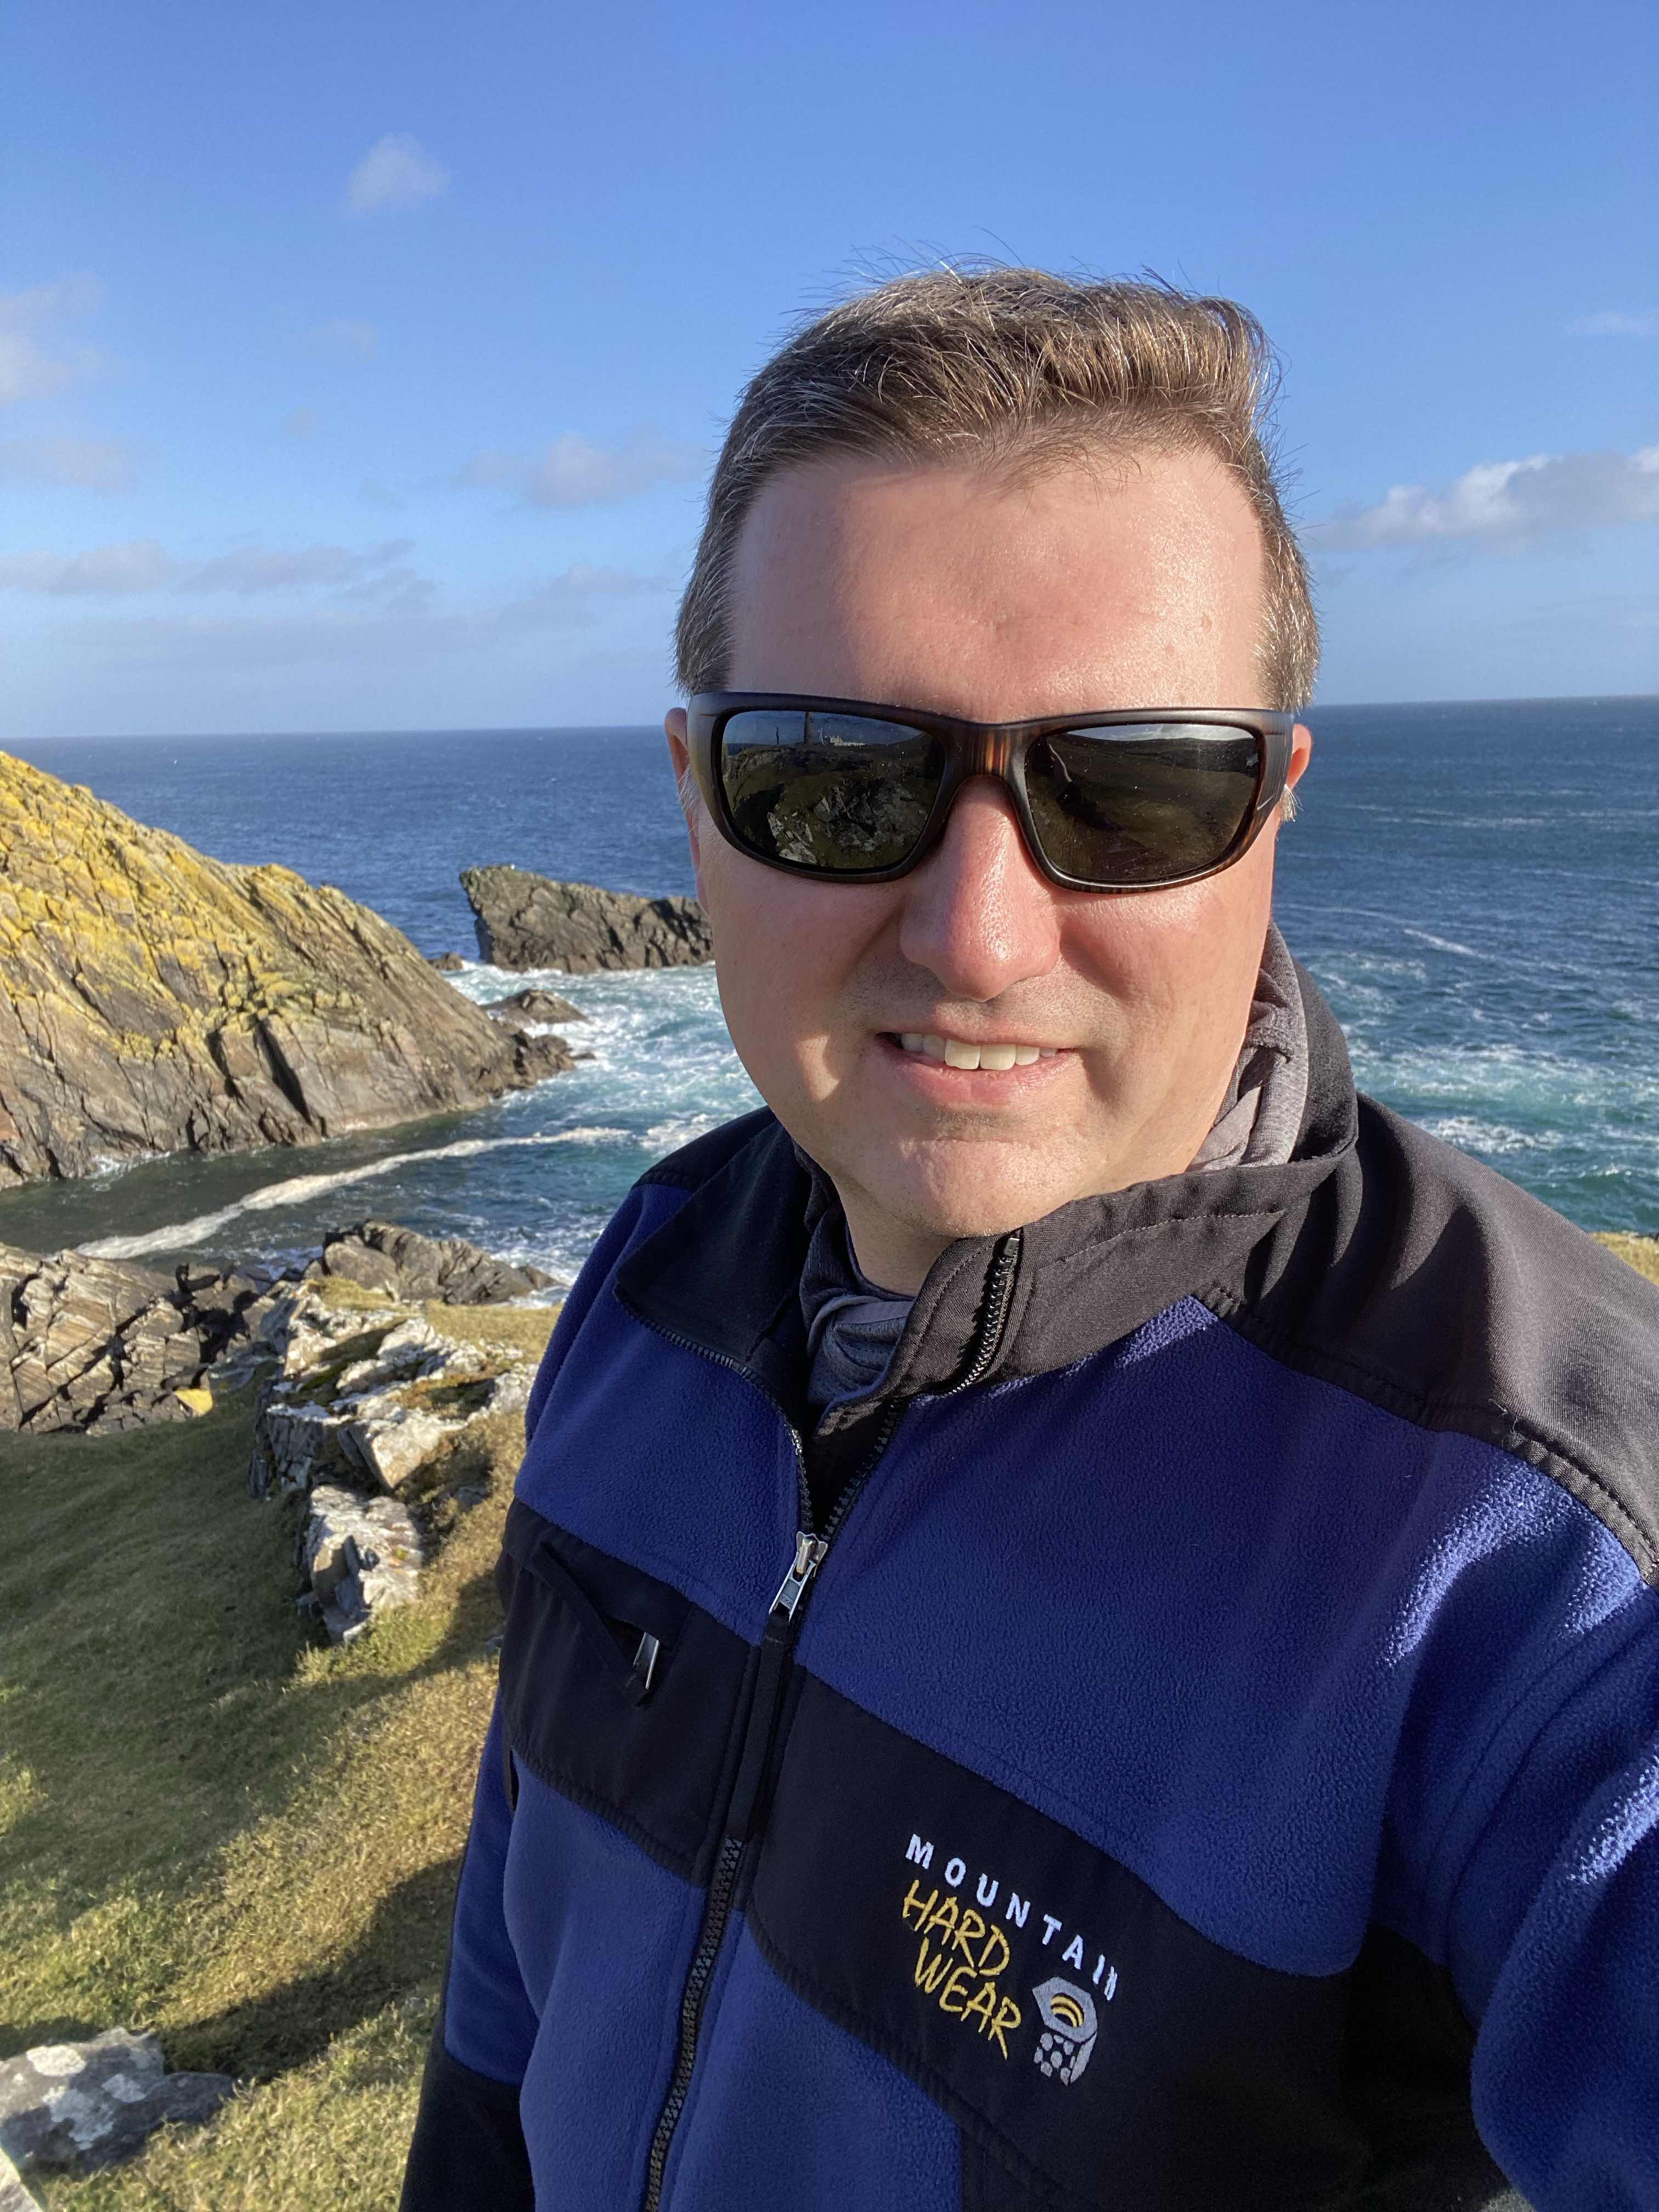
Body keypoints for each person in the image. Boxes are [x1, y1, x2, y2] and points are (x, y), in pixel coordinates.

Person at [401, 270, 1659, 2212]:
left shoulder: (1535, 1550)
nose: (979, 938)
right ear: (694, 798)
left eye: (1136, 787)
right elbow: (517, 1962)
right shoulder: (656, 1274)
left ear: (1273, 808)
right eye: (833, 780)